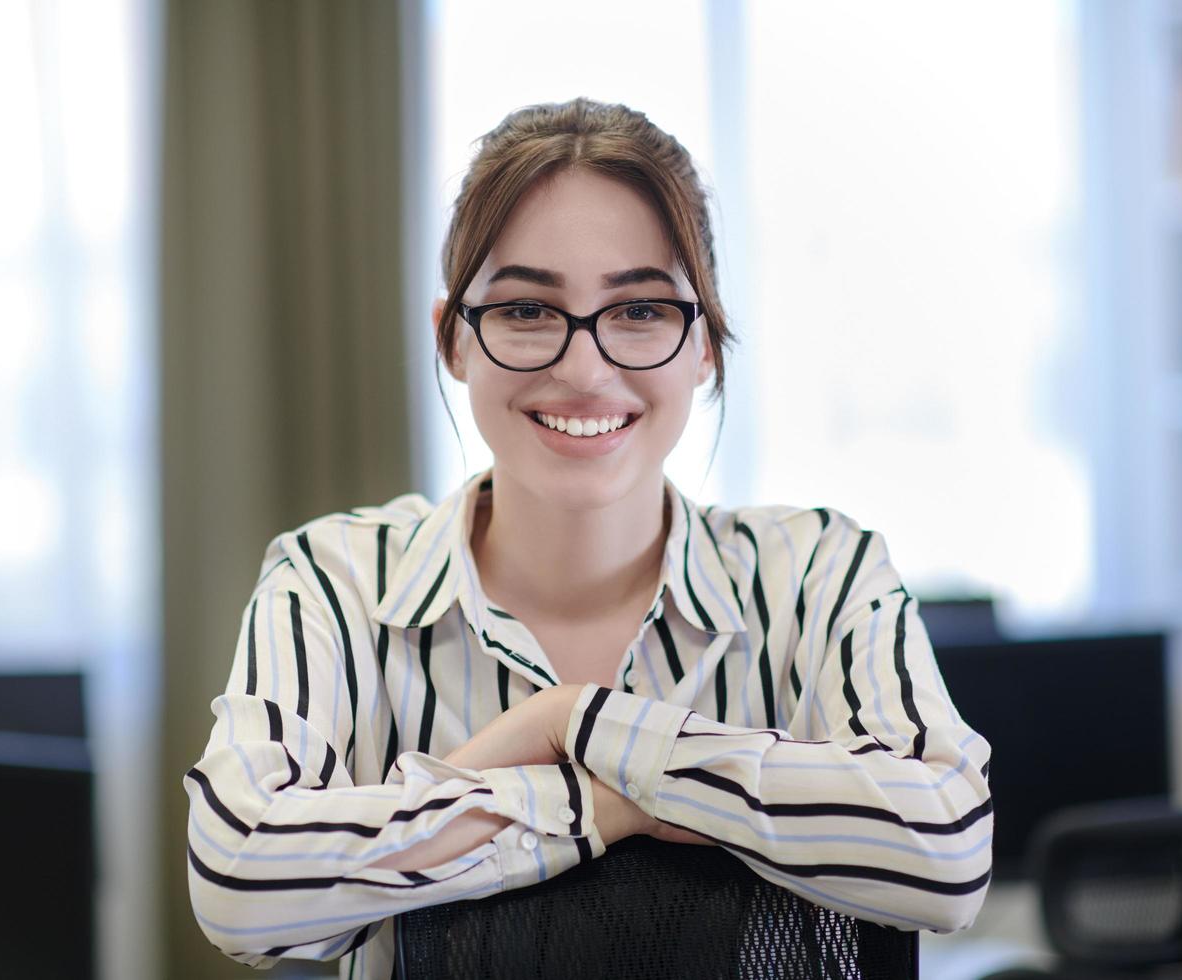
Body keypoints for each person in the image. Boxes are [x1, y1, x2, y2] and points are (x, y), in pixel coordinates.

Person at [182, 97, 993, 976]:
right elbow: (240, 887)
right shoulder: (333, 579)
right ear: (454, 338)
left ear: (706, 346)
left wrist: (573, 720)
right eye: (528, 310)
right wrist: (611, 798)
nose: (584, 368)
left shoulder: (820, 574)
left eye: (640, 310)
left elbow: (945, 852)